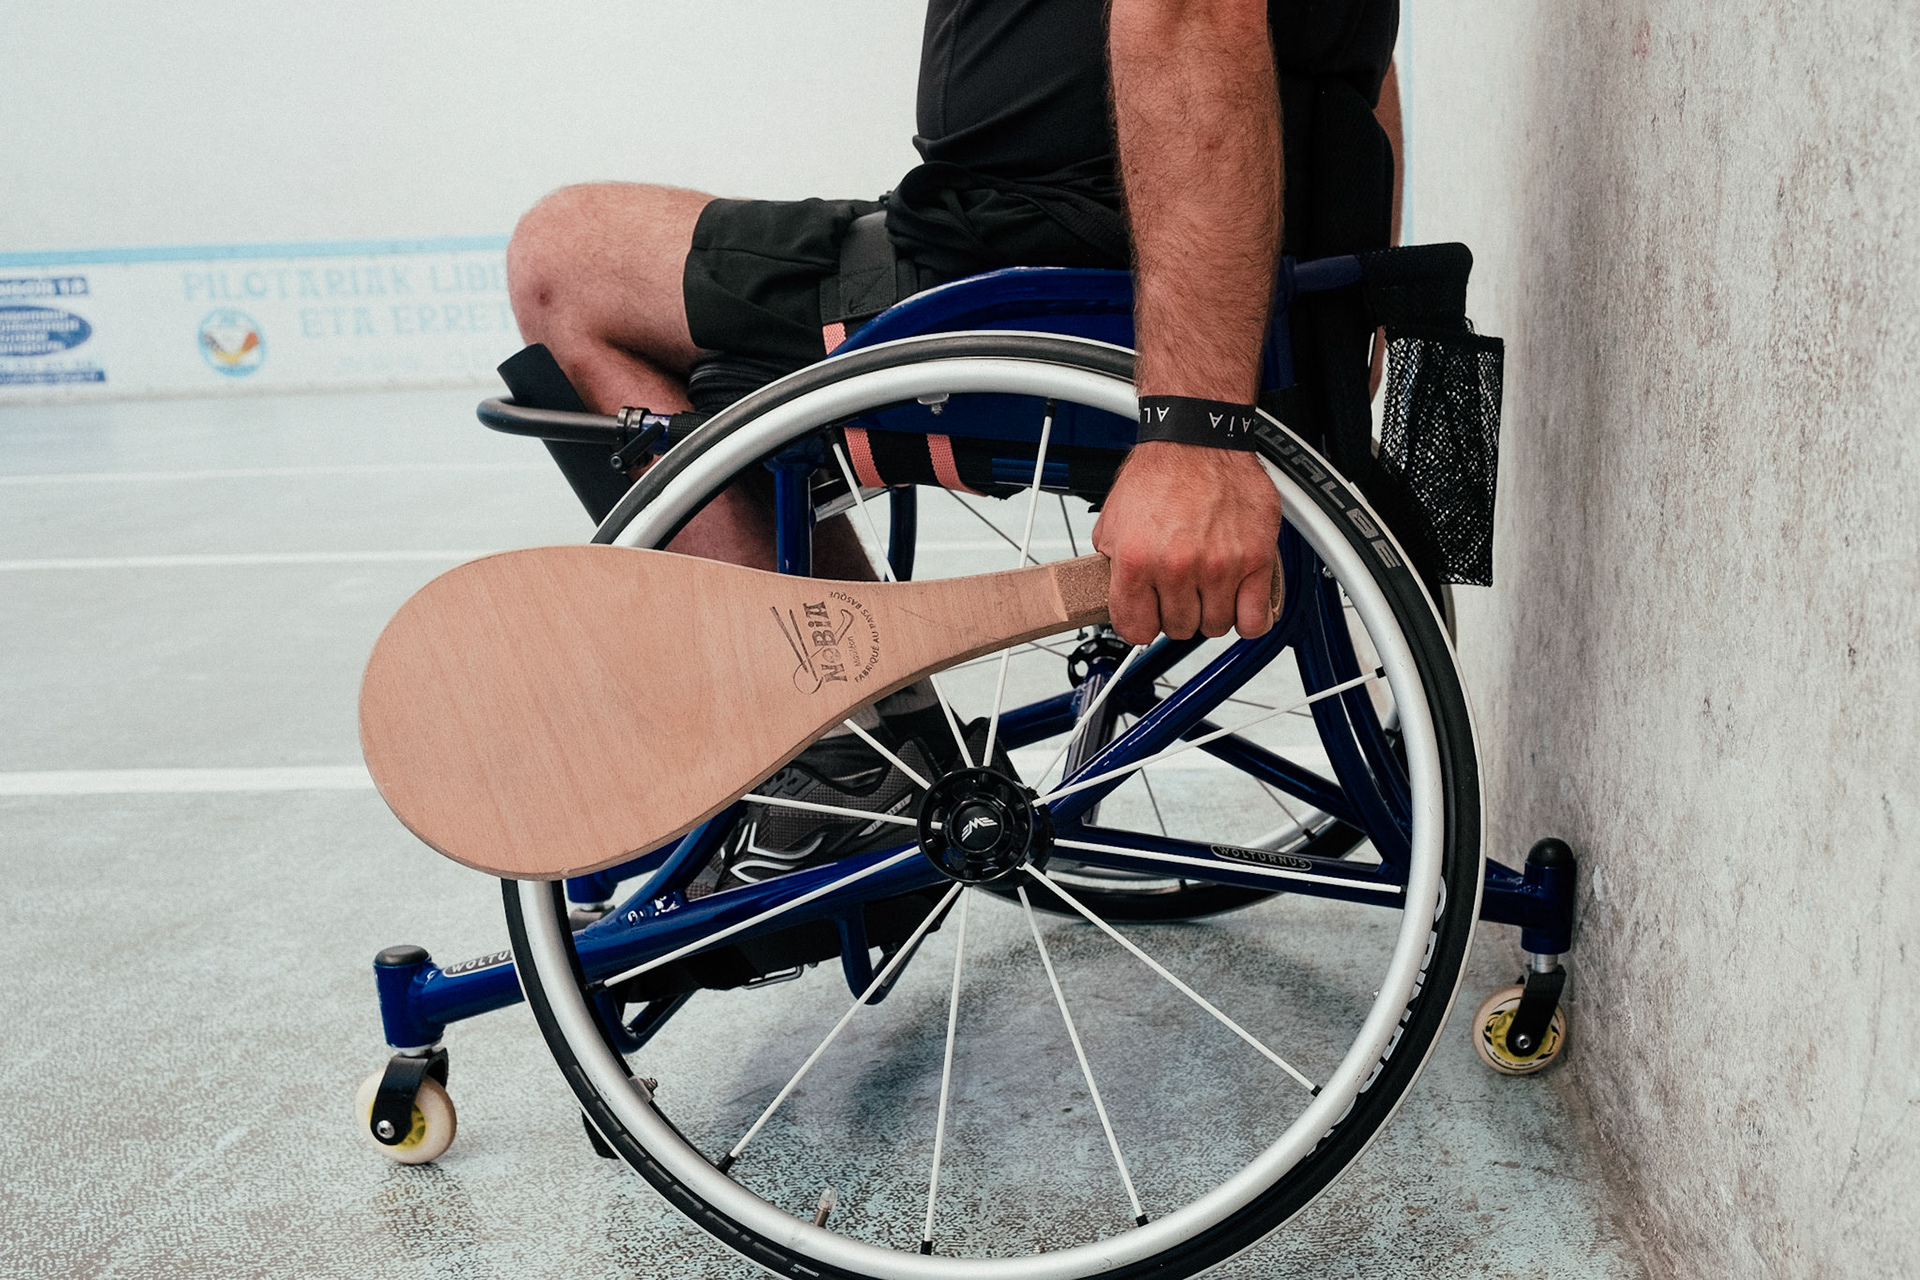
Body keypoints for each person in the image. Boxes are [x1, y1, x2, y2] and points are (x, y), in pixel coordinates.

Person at [506, 0, 1401, 879]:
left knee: (565, 264)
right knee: (708, 350)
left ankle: (839, 759)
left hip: (1049, 265)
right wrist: (1340, 308)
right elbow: (1355, 70)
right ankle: (850, 733)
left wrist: (1197, 433)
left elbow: (1195, 11)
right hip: (1139, 260)